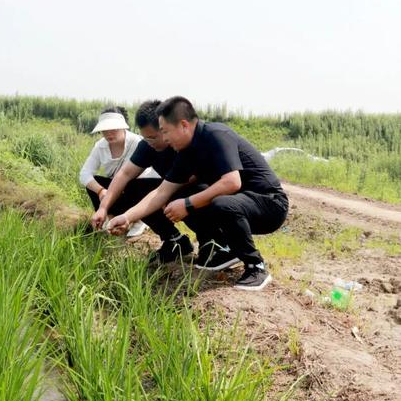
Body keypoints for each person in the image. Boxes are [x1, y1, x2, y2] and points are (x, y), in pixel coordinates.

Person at [107, 96, 289, 291]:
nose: (165, 139)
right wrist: (127, 217)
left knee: (219, 203)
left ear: (184, 125)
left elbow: (232, 182)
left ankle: (256, 266)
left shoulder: (216, 134)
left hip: (270, 204)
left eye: (166, 132)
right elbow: (161, 192)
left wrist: (187, 204)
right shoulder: (186, 153)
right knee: (199, 197)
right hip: (240, 205)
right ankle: (227, 251)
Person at [89, 100, 193, 263]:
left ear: (165, 128)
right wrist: (103, 208)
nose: (149, 141)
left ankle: (214, 242)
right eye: (146, 138)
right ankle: (174, 240)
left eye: (153, 137)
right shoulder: (147, 146)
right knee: (132, 187)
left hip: (197, 192)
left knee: (189, 193)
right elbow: (124, 173)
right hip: (169, 189)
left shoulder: (186, 144)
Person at [79, 106, 156, 237]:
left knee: (135, 186)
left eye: (113, 129)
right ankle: (109, 217)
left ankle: (139, 220)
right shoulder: (100, 146)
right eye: (105, 130)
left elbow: (152, 173)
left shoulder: (137, 142)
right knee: (95, 183)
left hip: (137, 191)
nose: (109, 133)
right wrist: (100, 191)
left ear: (123, 127)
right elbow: (84, 174)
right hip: (115, 192)